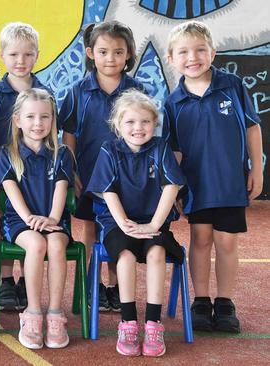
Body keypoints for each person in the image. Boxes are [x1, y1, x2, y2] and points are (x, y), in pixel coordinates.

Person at [164, 20, 263, 333]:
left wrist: (257, 169)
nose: (192, 57)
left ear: (213, 52)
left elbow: (252, 126)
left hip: (230, 182)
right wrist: (175, 190)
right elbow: (175, 150)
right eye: (183, 52)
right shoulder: (173, 102)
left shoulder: (232, 85)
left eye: (199, 50)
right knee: (200, 240)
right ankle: (201, 302)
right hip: (197, 185)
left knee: (227, 242)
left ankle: (225, 302)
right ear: (171, 59)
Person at [87, 90, 186, 357]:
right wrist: (126, 224)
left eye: (144, 122)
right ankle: (128, 322)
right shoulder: (110, 149)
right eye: (130, 122)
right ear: (118, 125)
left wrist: (154, 224)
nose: (138, 128)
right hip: (119, 222)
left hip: (154, 221)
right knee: (126, 256)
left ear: (154, 124)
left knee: (156, 253)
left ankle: (153, 323)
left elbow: (171, 187)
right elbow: (108, 191)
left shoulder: (160, 148)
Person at [59, 20, 144, 312]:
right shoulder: (78, 91)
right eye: (104, 51)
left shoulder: (136, 89)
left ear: (128, 55)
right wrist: (71, 171)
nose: (111, 58)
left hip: (126, 179)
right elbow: (68, 133)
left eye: (119, 52)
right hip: (89, 174)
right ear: (91, 53)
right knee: (92, 231)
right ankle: (91, 286)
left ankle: (116, 286)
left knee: (118, 229)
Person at [0, 22, 55, 312]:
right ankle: (6, 280)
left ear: (36, 56)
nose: (20, 61)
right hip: (5, 174)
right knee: (7, 224)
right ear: (1, 56)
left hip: (37, 174)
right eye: (13, 55)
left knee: (32, 219)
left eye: (27, 55)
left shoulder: (45, 94)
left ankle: (25, 280)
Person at [0, 88, 74, 350]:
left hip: (54, 220)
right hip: (20, 222)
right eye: (30, 117)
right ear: (18, 120)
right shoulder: (7, 154)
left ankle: (54, 313)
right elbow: (11, 192)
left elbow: (61, 188)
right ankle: (33, 312)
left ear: (53, 120)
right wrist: (30, 219)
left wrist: (51, 218)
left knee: (56, 245)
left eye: (44, 117)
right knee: (37, 244)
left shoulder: (61, 154)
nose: (38, 123)